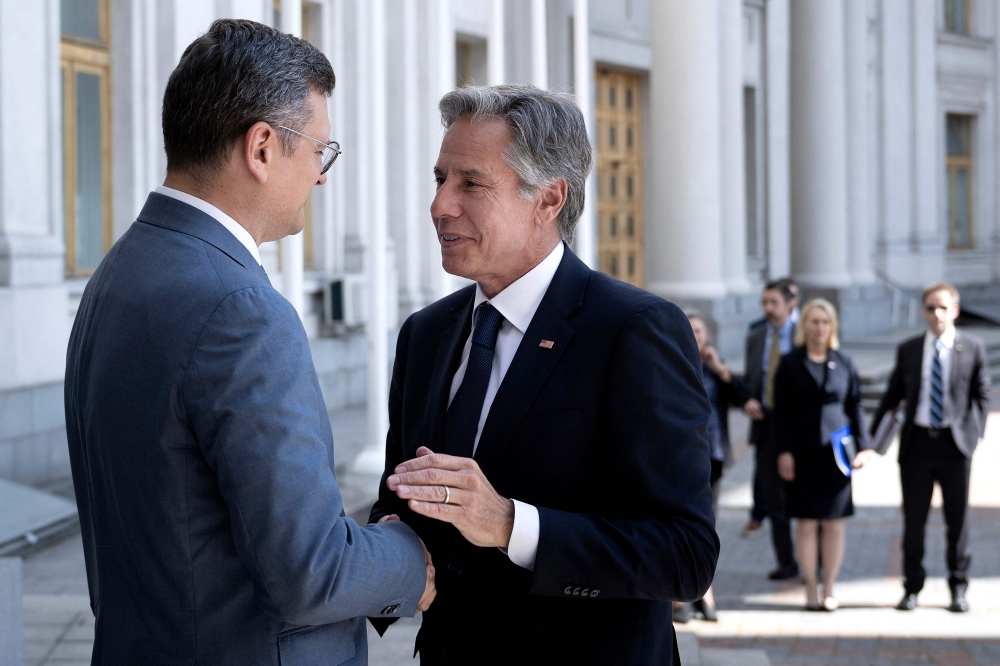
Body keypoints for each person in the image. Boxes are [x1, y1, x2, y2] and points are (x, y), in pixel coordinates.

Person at [64, 20, 434, 665]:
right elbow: (312, 571)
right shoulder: (241, 310)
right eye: (320, 150)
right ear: (261, 147)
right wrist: (410, 557)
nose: (322, 176)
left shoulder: (119, 271)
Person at [368, 85, 719, 665]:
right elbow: (401, 494)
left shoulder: (634, 329)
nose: (440, 205)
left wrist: (511, 524)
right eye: (440, 179)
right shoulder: (425, 334)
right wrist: (389, 561)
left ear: (549, 199)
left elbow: (685, 555)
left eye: (471, 183)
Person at [871, 282, 990, 613]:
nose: (937, 314)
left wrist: (974, 436)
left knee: (957, 521)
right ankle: (912, 587)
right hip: (917, 445)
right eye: (930, 307)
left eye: (943, 307)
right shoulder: (909, 349)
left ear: (955, 311)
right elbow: (892, 395)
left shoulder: (973, 347)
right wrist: (871, 441)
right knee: (914, 521)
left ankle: (958, 587)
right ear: (923, 311)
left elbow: (982, 394)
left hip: (955, 446)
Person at [774, 299, 872, 611]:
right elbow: (780, 412)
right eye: (814, 321)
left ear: (833, 327)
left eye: (825, 322)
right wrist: (783, 451)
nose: (820, 327)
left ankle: (829, 587)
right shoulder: (790, 363)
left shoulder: (843, 361)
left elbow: (855, 404)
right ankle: (810, 590)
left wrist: (864, 446)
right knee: (805, 523)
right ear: (804, 326)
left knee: (833, 523)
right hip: (801, 453)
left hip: (836, 455)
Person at [673, 313, 751, 623]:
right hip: (679, 459)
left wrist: (720, 368)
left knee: (705, 526)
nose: (696, 335)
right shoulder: (671, 363)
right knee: (679, 523)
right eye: (690, 329)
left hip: (712, 456)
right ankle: (678, 597)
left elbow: (743, 398)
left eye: (700, 330)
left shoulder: (714, 367)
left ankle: (704, 590)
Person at [742, 281, 800, 580]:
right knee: (774, 500)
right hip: (766, 425)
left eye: (774, 302)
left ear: (790, 303)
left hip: (799, 427)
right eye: (764, 302)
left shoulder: (805, 334)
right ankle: (786, 562)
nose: (768, 308)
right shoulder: (756, 336)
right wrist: (747, 401)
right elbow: (750, 380)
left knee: (804, 498)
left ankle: (814, 561)